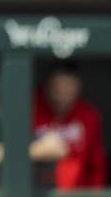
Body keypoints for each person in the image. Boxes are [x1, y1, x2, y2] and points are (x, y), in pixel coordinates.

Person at [34, 62, 107, 190]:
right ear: (46, 87)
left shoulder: (88, 115)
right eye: (57, 90)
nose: (62, 97)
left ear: (77, 89)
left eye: (68, 90)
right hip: (40, 191)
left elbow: (96, 164)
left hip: (78, 191)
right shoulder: (31, 109)